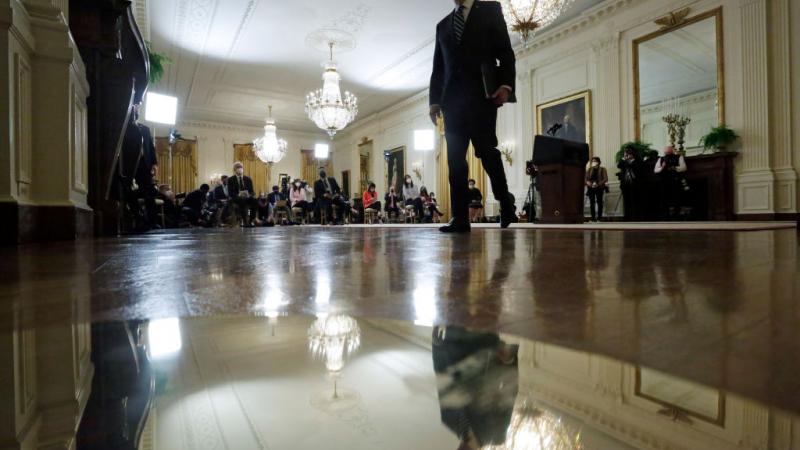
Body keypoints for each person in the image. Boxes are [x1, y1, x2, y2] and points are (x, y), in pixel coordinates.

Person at [429, 0, 517, 232]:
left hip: (482, 97)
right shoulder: (442, 26)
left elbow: (505, 52)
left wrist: (506, 86)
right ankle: (460, 218)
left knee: (486, 152)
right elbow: (439, 68)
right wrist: (434, 101)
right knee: (455, 161)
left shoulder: (490, 9)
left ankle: (505, 201)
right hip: (452, 104)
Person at [654, 146, 688, 220]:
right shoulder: (661, 159)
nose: (667, 153)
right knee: (664, 199)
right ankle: (665, 216)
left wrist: (675, 168)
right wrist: (662, 168)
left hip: (675, 181)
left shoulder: (679, 157)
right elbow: (656, 170)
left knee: (677, 198)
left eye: (669, 151)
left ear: (672, 151)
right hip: (664, 182)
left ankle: (677, 216)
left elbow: (684, 167)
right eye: (666, 152)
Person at [617, 148, 643, 222]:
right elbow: (619, 165)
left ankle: (635, 218)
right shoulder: (624, 162)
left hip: (635, 185)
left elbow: (633, 166)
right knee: (626, 201)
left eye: (628, 154)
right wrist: (624, 159)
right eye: (625, 154)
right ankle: (627, 217)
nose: (626, 156)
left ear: (632, 155)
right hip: (625, 184)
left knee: (634, 201)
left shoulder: (637, 161)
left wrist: (626, 161)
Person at [228, 161, 258, 227]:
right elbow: (230, 192)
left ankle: (251, 220)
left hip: (247, 197)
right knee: (242, 200)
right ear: (234, 169)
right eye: (237, 167)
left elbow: (252, 191)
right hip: (237, 198)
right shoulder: (230, 179)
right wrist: (238, 195)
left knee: (255, 200)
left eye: (240, 167)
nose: (239, 168)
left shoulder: (248, 179)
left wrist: (250, 195)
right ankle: (245, 221)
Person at [585, 156, 609, 222]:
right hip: (591, 188)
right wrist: (588, 183)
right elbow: (586, 178)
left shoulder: (603, 169)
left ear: (599, 162)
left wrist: (598, 184)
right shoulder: (589, 169)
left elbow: (605, 178)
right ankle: (593, 218)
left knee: (599, 202)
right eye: (593, 161)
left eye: (595, 161)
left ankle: (599, 218)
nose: (594, 162)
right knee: (591, 203)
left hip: (599, 187)